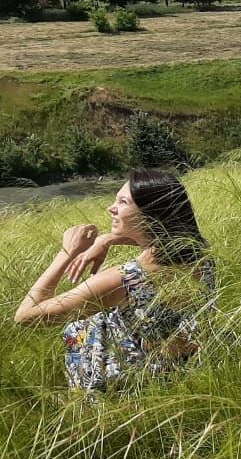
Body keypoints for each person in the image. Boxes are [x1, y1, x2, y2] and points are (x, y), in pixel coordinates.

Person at [15, 167, 216, 391]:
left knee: (85, 325)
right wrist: (106, 240)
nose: (111, 208)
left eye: (122, 202)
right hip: (187, 364)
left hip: (135, 383)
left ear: (151, 214)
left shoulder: (124, 279)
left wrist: (67, 252)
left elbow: (26, 316)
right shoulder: (199, 250)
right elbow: (163, 237)